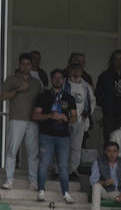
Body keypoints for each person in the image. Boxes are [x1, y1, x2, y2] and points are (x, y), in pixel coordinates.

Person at [33, 67, 78, 202]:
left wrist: (66, 118)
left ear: (64, 80)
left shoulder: (69, 98)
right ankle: (41, 190)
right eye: (55, 78)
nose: (58, 80)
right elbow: (35, 115)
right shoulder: (43, 96)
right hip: (46, 135)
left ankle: (66, 193)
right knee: (43, 164)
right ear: (51, 80)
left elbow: (75, 118)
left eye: (60, 78)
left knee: (63, 166)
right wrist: (50, 115)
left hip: (63, 137)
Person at [3, 54, 40, 189]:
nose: (25, 67)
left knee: (33, 153)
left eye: (28, 64)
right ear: (19, 64)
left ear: (31, 65)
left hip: (33, 121)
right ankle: (9, 179)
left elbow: (41, 102)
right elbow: (2, 96)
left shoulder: (36, 82)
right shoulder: (12, 79)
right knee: (12, 150)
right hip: (17, 119)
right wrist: (17, 89)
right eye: (23, 64)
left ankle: (33, 180)